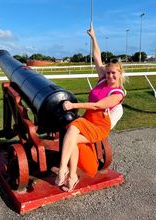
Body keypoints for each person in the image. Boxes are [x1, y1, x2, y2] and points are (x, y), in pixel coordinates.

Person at [55, 26, 126, 192]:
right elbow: (97, 56)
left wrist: (73, 105)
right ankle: (71, 176)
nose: (110, 76)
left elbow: (98, 105)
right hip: (88, 119)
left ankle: (64, 169)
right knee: (71, 137)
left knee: (71, 131)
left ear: (120, 75)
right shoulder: (102, 79)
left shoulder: (118, 93)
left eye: (114, 74)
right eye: (108, 73)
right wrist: (93, 37)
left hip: (99, 127)